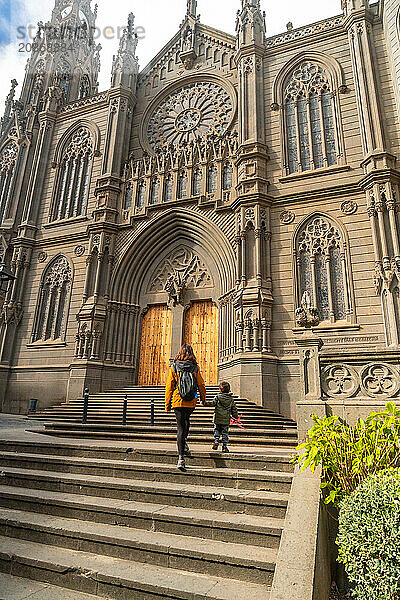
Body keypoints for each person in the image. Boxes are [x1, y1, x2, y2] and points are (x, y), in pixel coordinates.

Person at [165, 344, 206, 471]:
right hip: (191, 400)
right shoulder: (195, 367)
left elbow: (169, 386)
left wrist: (167, 404)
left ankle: (181, 458)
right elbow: (201, 384)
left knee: (180, 428)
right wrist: (202, 399)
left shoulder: (175, 367)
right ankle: (185, 442)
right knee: (187, 421)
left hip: (178, 400)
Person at [205, 381, 238, 453]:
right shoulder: (231, 399)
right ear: (229, 390)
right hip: (226, 419)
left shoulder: (218, 397)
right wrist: (236, 416)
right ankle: (224, 446)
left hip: (217, 418)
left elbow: (212, 403)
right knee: (225, 432)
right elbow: (234, 409)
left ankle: (216, 439)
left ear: (220, 389)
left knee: (217, 429)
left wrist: (204, 403)